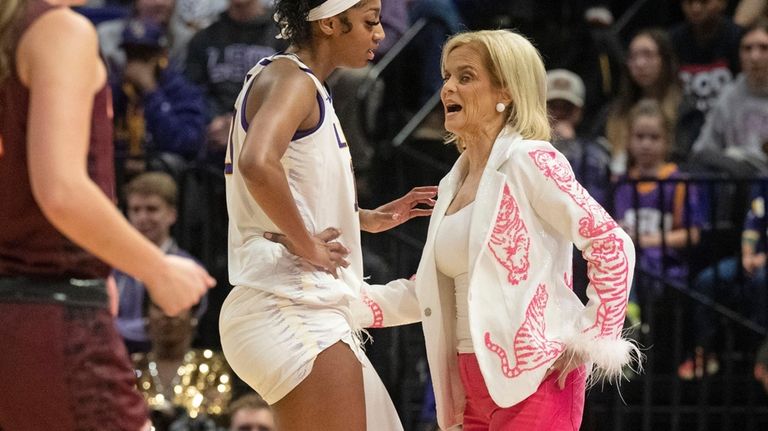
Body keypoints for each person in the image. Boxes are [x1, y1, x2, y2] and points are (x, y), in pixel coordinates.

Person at [219, 1, 437, 430]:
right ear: (331, 23)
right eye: (370, 22)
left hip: (295, 304)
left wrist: (362, 217)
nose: (380, 33)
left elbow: (290, 184)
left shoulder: (294, 80)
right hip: (286, 302)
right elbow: (256, 163)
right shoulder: (293, 80)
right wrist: (307, 245)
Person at [0, 0, 214, 429]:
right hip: (51, 316)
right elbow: (62, 191)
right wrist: (156, 269)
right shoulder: (58, 31)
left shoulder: (14, 34)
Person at [413, 29, 640, 430]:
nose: (448, 87)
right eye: (447, 76)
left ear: (507, 91)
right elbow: (428, 290)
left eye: (465, 77)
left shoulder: (531, 159)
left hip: (537, 379)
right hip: (470, 383)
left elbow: (611, 243)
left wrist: (592, 336)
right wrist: (347, 302)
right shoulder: (454, 180)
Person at [613, 99, 704, 336]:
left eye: (654, 137)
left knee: (634, 268)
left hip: (666, 268)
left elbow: (691, 234)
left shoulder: (678, 181)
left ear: (667, 141)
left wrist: (645, 240)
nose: (646, 144)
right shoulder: (621, 183)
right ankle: (625, 322)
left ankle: (628, 319)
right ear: (629, 140)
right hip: (629, 264)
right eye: (640, 137)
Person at [115, 171, 204, 353]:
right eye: (135, 210)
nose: (142, 218)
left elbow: (190, 325)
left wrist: (117, 329)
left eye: (152, 209)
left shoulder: (189, 267)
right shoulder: (114, 266)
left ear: (172, 215)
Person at [134, 299, 231, 430]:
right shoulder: (130, 369)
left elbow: (221, 419)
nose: (168, 314)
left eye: (177, 305)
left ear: (193, 316)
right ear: (146, 315)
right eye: (159, 307)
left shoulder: (214, 367)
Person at [690, 19, 768, 175]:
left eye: (764, 48)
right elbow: (702, 149)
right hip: (736, 183)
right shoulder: (729, 95)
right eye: (747, 49)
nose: (754, 56)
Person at [604, 29, 682, 174]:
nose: (640, 63)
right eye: (633, 57)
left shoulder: (685, 109)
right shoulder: (615, 111)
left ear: (665, 60)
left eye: (648, 55)